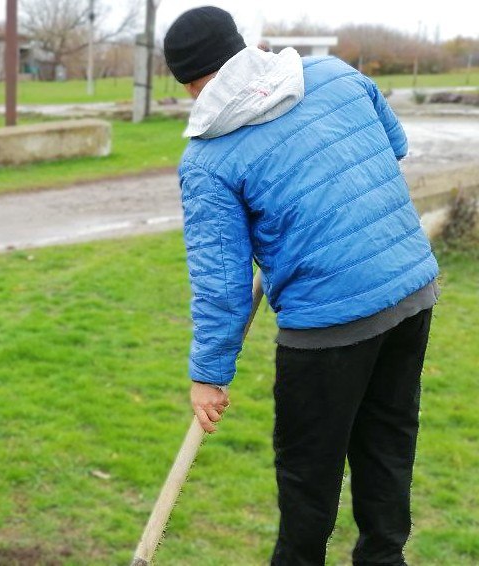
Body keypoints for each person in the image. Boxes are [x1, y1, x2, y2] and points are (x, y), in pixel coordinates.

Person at [163, 7, 438, 565]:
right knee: (387, 447)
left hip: (329, 324)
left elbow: (223, 284)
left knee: (307, 477)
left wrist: (208, 378)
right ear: (241, 49)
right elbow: (394, 145)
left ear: (193, 84)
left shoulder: (207, 160)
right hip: (411, 290)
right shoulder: (334, 73)